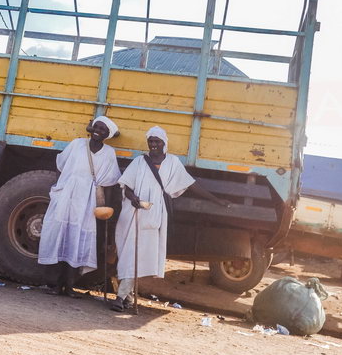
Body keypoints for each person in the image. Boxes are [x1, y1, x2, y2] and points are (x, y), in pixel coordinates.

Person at [111, 126, 230, 312]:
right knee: (128, 252)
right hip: (134, 213)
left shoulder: (173, 163)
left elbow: (191, 184)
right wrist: (132, 198)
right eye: (150, 141)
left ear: (164, 143)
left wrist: (216, 200)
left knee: (140, 254)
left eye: (157, 141)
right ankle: (125, 296)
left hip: (155, 213)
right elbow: (126, 185)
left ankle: (122, 296)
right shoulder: (140, 162)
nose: (153, 145)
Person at [38, 116, 121, 297]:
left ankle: (69, 286)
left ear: (107, 135)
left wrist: (105, 209)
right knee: (60, 236)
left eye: (103, 130)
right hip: (67, 195)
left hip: (87, 200)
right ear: (91, 128)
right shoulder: (77, 144)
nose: (98, 131)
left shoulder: (108, 153)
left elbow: (109, 182)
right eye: (96, 127)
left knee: (77, 241)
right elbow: (62, 164)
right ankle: (54, 284)